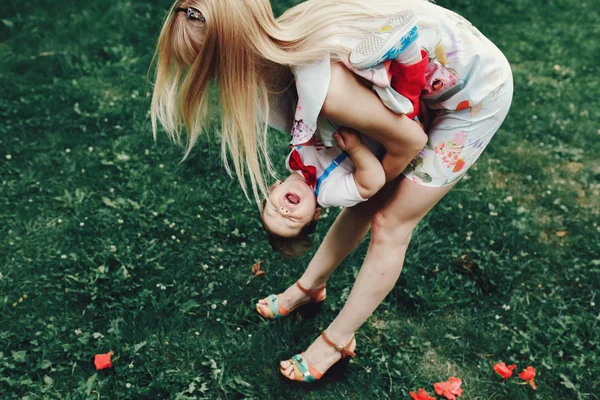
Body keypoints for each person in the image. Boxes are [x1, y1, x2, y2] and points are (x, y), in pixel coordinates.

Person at [151, 0, 513, 383]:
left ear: (233, 52)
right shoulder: (282, 44)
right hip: (436, 64)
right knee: (365, 193)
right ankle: (309, 287)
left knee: (389, 221)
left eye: (209, 71)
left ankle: (337, 340)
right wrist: (360, 183)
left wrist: (365, 187)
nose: (213, 82)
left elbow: (409, 142)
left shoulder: (328, 88)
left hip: (474, 90)